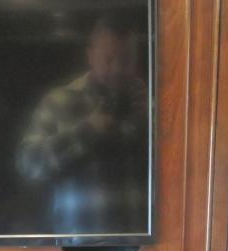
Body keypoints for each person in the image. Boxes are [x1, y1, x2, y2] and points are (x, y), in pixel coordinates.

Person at [17, 13, 149, 236]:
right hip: (79, 245)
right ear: (91, 56)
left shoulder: (153, 102)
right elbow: (29, 165)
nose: (117, 69)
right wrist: (88, 131)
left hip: (144, 247)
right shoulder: (59, 102)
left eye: (126, 59)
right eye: (108, 59)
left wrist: (150, 126)